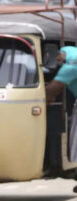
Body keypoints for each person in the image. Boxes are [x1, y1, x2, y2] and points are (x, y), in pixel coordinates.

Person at [45, 46, 77, 187]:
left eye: (58, 58)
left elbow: (52, 89)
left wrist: (45, 100)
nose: (57, 60)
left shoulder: (71, 65)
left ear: (63, 55)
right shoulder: (72, 55)